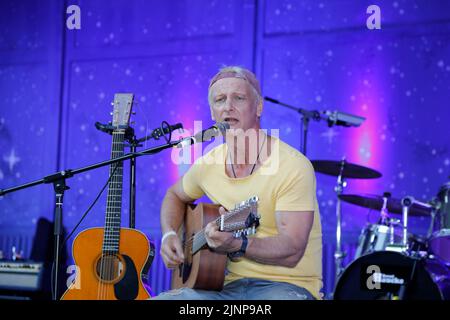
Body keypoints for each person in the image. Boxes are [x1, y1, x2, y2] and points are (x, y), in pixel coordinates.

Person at [155, 66, 322, 300]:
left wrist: (236, 244)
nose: (228, 106)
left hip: (287, 288)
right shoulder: (208, 163)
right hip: (227, 290)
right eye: (220, 100)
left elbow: (292, 250)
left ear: (259, 107)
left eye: (239, 98)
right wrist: (169, 234)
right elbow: (174, 195)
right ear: (213, 113)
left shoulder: (292, 165)